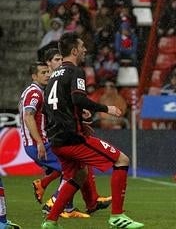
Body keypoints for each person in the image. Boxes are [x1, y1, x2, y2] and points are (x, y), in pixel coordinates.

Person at [41, 32, 143, 229]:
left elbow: (56, 106)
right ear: (74, 50)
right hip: (73, 138)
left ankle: (51, 221)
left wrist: (79, 116)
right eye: (82, 47)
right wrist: (107, 109)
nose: (85, 50)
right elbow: (78, 98)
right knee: (122, 160)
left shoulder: (53, 76)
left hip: (57, 139)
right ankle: (117, 216)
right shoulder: (75, 72)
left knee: (78, 176)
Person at [20, 61, 110, 219]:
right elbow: (28, 116)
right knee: (75, 169)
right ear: (34, 76)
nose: (48, 75)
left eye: (48, 72)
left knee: (75, 167)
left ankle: (67, 203)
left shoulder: (42, 91)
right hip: (40, 143)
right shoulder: (35, 92)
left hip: (45, 141)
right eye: (43, 72)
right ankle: (56, 204)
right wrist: (39, 142)